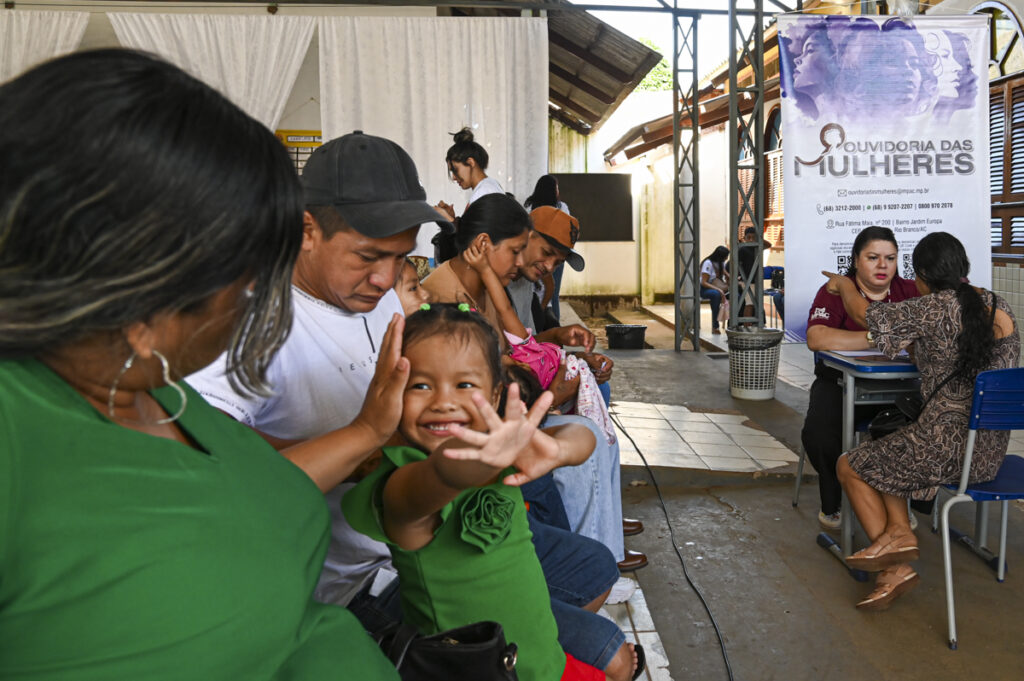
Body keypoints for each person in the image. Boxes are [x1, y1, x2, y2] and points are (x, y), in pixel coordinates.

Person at [0, 49, 396, 679]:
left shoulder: (159, 394)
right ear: (150, 272)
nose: (251, 302)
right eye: (247, 276)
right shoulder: (20, 431)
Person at [189, 133, 622, 671]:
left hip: (440, 526)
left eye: (399, 258)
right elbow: (219, 475)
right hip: (351, 577)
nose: (384, 278)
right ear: (307, 230)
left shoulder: (376, 299)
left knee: (594, 571)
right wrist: (370, 439)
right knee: (604, 656)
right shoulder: (246, 320)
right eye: (369, 256)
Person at [342, 304, 643, 681]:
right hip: (473, 671)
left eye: (465, 385)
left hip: (543, 660)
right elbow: (442, 474)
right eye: (420, 385)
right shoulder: (401, 484)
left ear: (497, 391)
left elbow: (583, 436)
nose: (444, 401)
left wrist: (559, 449)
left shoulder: (498, 450)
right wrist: (489, 457)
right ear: (390, 391)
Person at [825, 232, 1019, 610]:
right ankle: (899, 531)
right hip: (987, 455)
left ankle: (895, 566)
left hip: (943, 452)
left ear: (923, 275)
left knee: (850, 464)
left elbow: (863, 314)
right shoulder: (999, 306)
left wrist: (846, 283)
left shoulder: (931, 307)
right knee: (895, 444)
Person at [801, 226, 919, 531]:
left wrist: (849, 338)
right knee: (820, 436)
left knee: (914, 431)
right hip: (838, 384)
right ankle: (834, 503)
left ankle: (900, 504)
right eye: (873, 257)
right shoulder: (836, 290)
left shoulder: (910, 291)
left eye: (890, 258)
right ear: (856, 260)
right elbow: (817, 337)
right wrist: (879, 337)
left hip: (899, 389)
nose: (883, 265)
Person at [524, 174, 571, 321]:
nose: (558, 191)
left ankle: (539, 320)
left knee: (535, 290)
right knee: (553, 292)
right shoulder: (561, 207)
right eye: (557, 188)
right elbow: (567, 233)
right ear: (553, 190)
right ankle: (552, 323)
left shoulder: (530, 208)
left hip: (539, 256)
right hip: (558, 252)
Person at [435, 127, 504, 222]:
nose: (454, 177)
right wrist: (451, 218)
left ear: (470, 162)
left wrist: (448, 219)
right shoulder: (486, 187)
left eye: (455, 170)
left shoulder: (485, 192)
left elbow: (481, 235)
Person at [700, 246, 730, 334]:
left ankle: (732, 324)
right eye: (725, 256)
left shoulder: (721, 263)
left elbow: (726, 274)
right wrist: (719, 290)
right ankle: (715, 326)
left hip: (717, 287)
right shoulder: (708, 263)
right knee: (715, 295)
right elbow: (704, 282)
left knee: (736, 295)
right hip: (704, 289)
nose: (726, 258)